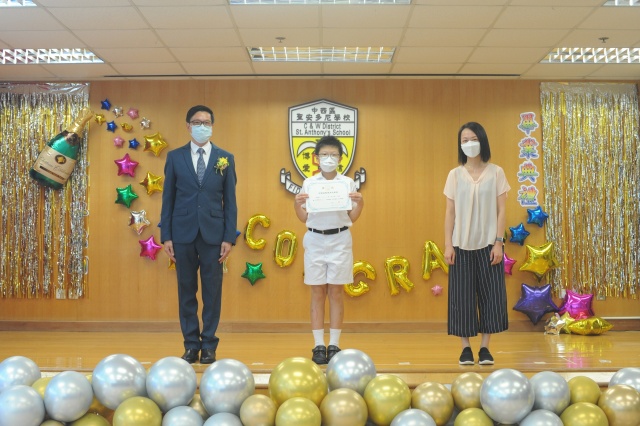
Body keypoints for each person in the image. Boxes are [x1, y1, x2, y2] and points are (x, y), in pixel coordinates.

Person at [161, 105, 237, 364]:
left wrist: (228, 237)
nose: (202, 126)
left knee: (212, 292)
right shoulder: (175, 157)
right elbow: (168, 199)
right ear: (188, 126)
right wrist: (166, 236)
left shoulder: (225, 158)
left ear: (212, 126)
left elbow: (231, 202)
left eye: (206, 122)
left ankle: (209, 345)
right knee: (186, 290)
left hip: (214, 235)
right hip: (182, 234)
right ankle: (191, 345)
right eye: (197, 122)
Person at [443, 122, 510, 366]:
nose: (469, 144)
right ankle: (465, 349)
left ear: (482, 141)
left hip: (489, 245)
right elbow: (450, 212)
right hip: (461, 245)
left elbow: (502, 211)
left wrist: (499, 242)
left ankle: (484, 348)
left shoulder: (496, 172)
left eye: (473, 139)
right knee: (461, 298)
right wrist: (448, 244)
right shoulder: (454, 175)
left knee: (491, 296)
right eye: (464, 140)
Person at [294, 135, 364, 365]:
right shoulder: (309, 183)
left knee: (336, 292)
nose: (328, 158)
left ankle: (334, 344)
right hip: (315, 239)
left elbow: (352, 216)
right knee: (317, 292)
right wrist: (296, 205)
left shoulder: (347, 183)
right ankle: (318, 345)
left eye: (333, 154)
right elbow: (303, 217)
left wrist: (361, 203)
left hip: (340, 239)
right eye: (324, 154)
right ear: (316, 158)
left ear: (341, 158)